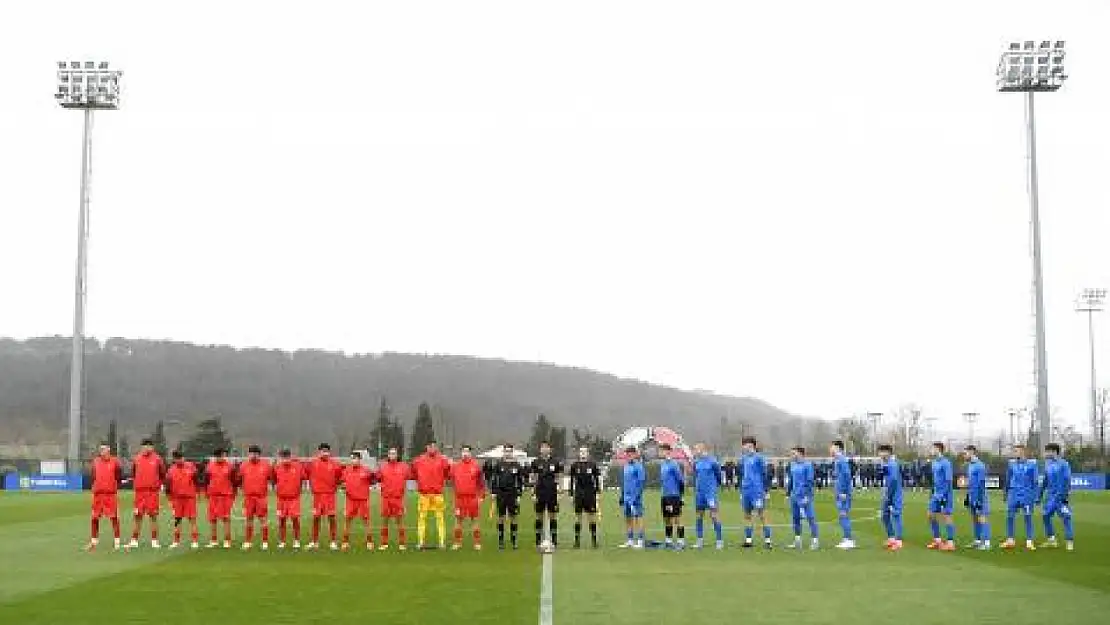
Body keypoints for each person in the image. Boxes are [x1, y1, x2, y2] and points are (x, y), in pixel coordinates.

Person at [127, 438, 166, 550]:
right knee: (138, 516)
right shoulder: (137, 458)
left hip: (152, 492)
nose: (147, 448)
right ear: (141, 447)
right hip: (139, 492)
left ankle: (154, 541)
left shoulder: (157, 459)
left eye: (149, 446)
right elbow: (134, 473)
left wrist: (160, 485)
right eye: (145, 446)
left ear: (152, 447)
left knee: (153, 516)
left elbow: (162, 473)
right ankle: (134, 540)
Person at [412, 440, 452, 550]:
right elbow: (414, 474)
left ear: (436, 447)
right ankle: (420, 542)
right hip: (424, 495)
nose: (432, 448)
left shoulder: (442, 460)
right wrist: (421, 483)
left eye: (434, 446)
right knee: (422, 518)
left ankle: (442, 542)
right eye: (430, 446)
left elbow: (448, 474)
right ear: (426, 447)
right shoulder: (418, 460)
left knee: (440, 518)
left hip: (437, 494)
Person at [86, 443, 123, 551]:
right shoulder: (96, 462)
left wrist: (113, 485)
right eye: (101, 450)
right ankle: (94, 542)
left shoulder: (115, 462)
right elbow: (93, 476)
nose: (103, 452)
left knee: (114, 518)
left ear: (109, 451)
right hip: (98, 495)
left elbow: (118, 475)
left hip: (110, 495)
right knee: (94, 518)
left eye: (105, 450)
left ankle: (117, 542)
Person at [307, 443, 344, 551]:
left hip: (330, 495)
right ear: (319, 452)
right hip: (317, 495)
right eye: (323, 451)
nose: (325, 453)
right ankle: (314, 541)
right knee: (316, 518)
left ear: (329, 452)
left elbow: (340, 477)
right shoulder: (312, 463)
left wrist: (337, 486)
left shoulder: (335, 464)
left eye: (326, 451)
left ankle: (333, 542)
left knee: (331, 518)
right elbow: (305, 473)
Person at [1002, 443, 1038, 551]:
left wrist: (1035, 496)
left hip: (1026, 495)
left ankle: (1029, 541)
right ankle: (1010, 540)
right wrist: (1005, 492)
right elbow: (1008, 478)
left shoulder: (1032, 464)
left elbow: (1035, 481)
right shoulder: (1011, 464)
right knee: (1010, 517)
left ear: (1023, 452)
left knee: (1027, 517)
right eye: (1014, 451)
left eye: (1017, 451)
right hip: (1013, 494)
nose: (1015, 453)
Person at [450, 444, 486, 550]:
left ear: (470, 453)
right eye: (463, 451)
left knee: (475, 520)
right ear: (461, 453)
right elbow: (450, 479)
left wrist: (481, 497)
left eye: (467, 451)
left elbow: (481, 484)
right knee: (458, 521)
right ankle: (457, 542)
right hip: (460, 499)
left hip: (472, 498)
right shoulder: (455, 466)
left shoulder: (476, 466)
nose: (465, 453)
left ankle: (477, 543)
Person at [739, 436, 772, 549]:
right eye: (744, 445)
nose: (745, 447)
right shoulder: (743, 459)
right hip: (746, 490)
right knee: (747, 515)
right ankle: (748, 540)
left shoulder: (759, 458)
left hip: (757, 491)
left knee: (762, 515)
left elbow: (765, 475)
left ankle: (768, 541)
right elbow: (742, 475)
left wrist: (766, 490)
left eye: (747, 445)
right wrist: (741, 490)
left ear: (753, 446)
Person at [1040, 443, 1074, 550]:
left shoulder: (1064, 464)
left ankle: (1069, 542)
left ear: (1054, 452)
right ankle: (1051, 540)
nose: (1045, 453)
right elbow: (1045, 481)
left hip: (1060, 497)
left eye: (1047, 451)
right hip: (1050, 497)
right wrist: (1039, 495)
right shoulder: (1048, 464)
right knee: (1045, 516)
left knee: (1066, 518)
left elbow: (1067, 479)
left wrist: (1065, 495)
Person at [530, 441, 564, 550]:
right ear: (540, 449)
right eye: (542, 447)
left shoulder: (555, 462)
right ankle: (537, 541)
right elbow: (533, 478)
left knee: (553, 516)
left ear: (550, 449)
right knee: (539, 517)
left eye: (546, 447)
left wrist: (560, 491)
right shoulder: (535, 462)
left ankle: (554, 541)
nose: (544, 449)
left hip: (552, 493)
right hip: (540, 493)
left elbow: (559, 477)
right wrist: (533, 492)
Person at [239, 444, 273, 551]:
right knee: (248, 519)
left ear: (259, 455)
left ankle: (265, 542)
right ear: (248, 454)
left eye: (255, 454)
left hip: (261, 497)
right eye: (251, 453)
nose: (253, 455)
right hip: (248, 497)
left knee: (263, 519)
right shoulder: (243, 465)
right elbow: (239, 479)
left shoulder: (266, 465)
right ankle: (248, 541)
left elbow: (271, 478)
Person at [491, 443, 525, 549]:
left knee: (513, 517)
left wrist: (519, 494)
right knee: (501, 517)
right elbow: (493, 479)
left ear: (512, 452)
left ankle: (514, 541)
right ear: (503, 452)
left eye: (510, 451)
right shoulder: (498, 464)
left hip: (512, 494)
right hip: (501, 494)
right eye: (506, 451)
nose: (508, 453)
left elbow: (520, 482)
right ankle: (501, 541)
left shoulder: (517, 465)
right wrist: (493, 492)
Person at [785, 446, 819, 550]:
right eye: (791, 454)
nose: (792, 455)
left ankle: (815, 541)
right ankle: (797, 541)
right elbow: (791, 480)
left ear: (800, 453)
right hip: (794, 496)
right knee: (795, 519)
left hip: (804, 496)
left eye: (794, 453)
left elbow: (810, 481)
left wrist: (808, 496)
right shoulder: (792, 465)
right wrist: (788, 493)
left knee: (810, 518)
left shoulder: (808, 465)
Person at [165, 450, 200, 549]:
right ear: (174, 459)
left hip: (189, 498)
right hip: (177, 499)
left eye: (181, 458)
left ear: (183, 457)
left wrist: (198, 492)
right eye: (177, 459)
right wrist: (169, 500)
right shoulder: (171, 470)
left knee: (192, 519)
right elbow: (168, 486)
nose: (179, 460)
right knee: (177, 520)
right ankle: (176, 541)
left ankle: (194, 541)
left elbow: (196, 480)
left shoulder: (191, 466)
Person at [377, 447, 411, 550]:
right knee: (385, 521)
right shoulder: (383, 467)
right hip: (386, 498)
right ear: (388, 455)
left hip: (398, 499)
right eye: (390, 453)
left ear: (397, 455)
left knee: (400, 522)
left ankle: (402, 543)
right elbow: (377, 478)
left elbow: (410, 476)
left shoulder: (404, 467)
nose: (392, 455)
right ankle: (384, 543)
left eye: (394, 453)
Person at [691, 443, 724, 549]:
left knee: (714, 516)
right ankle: (699, 541)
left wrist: (714, 488)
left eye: (695, 449)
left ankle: (719, 541)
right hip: (699, 493)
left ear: (702, 449)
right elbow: (695, 476)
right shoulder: (696, 462)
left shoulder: (713, 461)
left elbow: (719, 475)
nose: (694, 451)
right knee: (699, 516)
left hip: (710, 493)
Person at [568, 446, 601, 549]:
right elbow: (572, 480)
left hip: (590, 494)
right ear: (579, 453)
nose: (583, 453)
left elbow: (597, 479)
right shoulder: (574, 465)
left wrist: (598, 493)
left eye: (585, 452)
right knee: (578, 518)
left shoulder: (593, 465)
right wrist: (571, 494)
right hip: (578, 494)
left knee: (592, 517)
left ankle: (594, 541)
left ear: (588, 453)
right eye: (581, 451)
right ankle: (577, 542)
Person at [341, 451, 376, 551]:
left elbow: (373, 481)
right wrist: (345, 488)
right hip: (350, 500)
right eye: (352, 458)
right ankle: (345, 542)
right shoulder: (346, 471)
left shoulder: (366, 471)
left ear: (359, 459)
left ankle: (369, 541)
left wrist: (373, 479)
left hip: (363, 500)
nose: (353, 460)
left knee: (366, 521)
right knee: (347, 521)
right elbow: (342, 483)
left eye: (355, 458)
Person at [926, 442, 956, 551]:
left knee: (947, 516)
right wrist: (932, 492)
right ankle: (937, 540)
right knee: (930, 515)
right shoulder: (934, 463)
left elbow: (949, 480)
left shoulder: (946, 463)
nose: (931, 451)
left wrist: (943, 495)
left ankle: (950, 542)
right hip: (935, 493)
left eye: (932, 449)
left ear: (938, 449)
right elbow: (935, 480)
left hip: (945, 494)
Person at [204, 447, 236, 549]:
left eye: (223, 455)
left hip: (226, 496)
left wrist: (232, 495)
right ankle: (213, 540)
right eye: (219, 456)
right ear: (216, 457)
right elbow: (207, 480)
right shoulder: (209, 466)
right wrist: (207, 493)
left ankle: (227, 540)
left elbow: (234, 481)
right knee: (213, 519)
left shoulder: (230, 467)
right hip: (213, 496)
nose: (221, 457)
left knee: (226, 518)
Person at [273, 448, 305, 549]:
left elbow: (304, 477)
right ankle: (282, 541)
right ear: (280, 457)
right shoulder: (277, 467)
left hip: (294, 498)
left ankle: (296, 540)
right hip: (281, 499)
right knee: (281, 520)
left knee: (295, 519)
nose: (285, 458)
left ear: (290, 456)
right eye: (283, 456)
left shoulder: (298, 467)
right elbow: (273, 480)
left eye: (287, 456)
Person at [962, 445, 991, 551]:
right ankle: (977, 541)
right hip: (972, 496)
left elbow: (981, 483)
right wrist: (968, 496)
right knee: (974, 519)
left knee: (982, 518)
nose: (964, 455)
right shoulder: (970, 465)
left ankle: (987, 543)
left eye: (965, 453)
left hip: (980, 496)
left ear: (971, 452)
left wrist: (979, 499)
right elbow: (971, 483)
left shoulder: (980, 466)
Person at [659, 443, 686, 550]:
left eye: (661, 451)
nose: (659, 453)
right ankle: (668, 540)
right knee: (667, 518)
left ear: (667, 451)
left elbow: (681, 480)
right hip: (665, 496)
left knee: (677, 518)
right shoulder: (663, 464)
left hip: (674, 495)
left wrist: (681, 496)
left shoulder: (674, 464)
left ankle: (681, 541)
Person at [830, 440, 855, 549]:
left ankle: (849, 540)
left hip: (843, 493)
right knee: (842, 516)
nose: (830, 450)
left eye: (832, 447)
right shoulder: (837, 460)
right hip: (840, 492)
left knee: (844, 514)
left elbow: (847, 475)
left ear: (838, 448)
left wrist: (844, 492)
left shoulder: (841, 460)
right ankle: (846, 538)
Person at [619, 446, 646, 549]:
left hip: (635, 498)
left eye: (630, 454)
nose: (629, 455)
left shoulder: (638, 466)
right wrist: (622, 495)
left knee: (638, 518)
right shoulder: (626, 466)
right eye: (627, 454)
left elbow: (641, 483)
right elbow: (624, 482)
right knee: (628, 518)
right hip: (626, 497)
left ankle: (640, 541)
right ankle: (630, 540)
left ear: (635, 454)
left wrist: (636, 496)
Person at [878, 444, 904, 551]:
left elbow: (893, 481)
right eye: (880, 452)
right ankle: (891, 537)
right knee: (884, 516)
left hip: (894, 494)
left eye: (883, 452)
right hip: (887, 493)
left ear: (888, 453)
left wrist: (889, 495)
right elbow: (885, 479)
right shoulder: (885, 464)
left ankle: (898, 541)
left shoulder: (892, 464)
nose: (880, 454)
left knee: (896, 515)